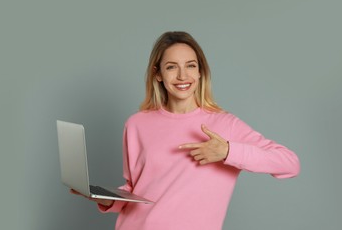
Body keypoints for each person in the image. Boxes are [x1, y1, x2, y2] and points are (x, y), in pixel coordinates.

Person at [71, 31, 300, 229]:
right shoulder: (136, 124)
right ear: (158, 74)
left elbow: (289, 163)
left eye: (191, 66)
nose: (182, 76)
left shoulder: (224, 125)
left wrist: (228, 152)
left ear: (201, 72)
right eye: (172, 67)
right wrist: (109, 199)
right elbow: (135, 188)